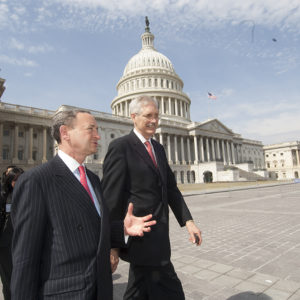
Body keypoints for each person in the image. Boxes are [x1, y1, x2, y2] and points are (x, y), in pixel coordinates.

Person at [11, 109, 156, 300]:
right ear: (65, 133)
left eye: (97, 129)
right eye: (91, 129)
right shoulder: (36, 180)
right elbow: (25, 260)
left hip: (100, 289)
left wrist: (121, 229)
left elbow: (89, 230)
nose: (98, 136)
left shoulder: (93, 180)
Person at [102, 95, 202, 300]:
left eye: (156, 115)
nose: (154, 120)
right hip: (140, 236)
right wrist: (112, 244)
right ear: (133, 117)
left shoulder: (158, 148)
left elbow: (171, 189)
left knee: (139, 290)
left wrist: (188, 221)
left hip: (159, 237)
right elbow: (111, 199)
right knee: (171, 291)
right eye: (148, 115)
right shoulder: (121, 147)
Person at [0, 167, 23, 300]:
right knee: (8, 280)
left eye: (21, 179)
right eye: (15, 180)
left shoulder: (28, 194)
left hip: (23, 242)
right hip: (6, 244)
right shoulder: (3, 195)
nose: (18, 182)